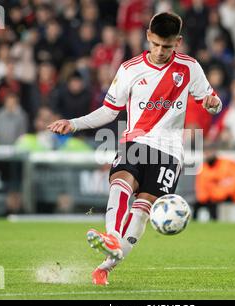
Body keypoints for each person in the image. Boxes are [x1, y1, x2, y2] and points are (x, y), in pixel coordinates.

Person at [47, 12, 222, 285]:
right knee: (120, 181)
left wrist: (214, 103)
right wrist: (74, 123)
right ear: (148, 37)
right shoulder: (130, 69)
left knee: (142, 210)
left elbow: (211, 100)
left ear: (178, 42)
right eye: (156, 44)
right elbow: (109, 111)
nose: (161, 51)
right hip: (135, 140)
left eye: (167, 46)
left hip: (170, 151)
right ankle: (112, 237)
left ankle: (104, 267)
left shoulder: (190, 68)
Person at [194, 144, 235, 221]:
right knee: (199, 205)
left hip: (230, 196)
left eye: (210, 151)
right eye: (206, 152)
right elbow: (201, 187)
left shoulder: (227, 164)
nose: (208, 154)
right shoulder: (203, 168)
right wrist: (205, 198)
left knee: (216, 205)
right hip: (212, 198)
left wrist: (223, 192)